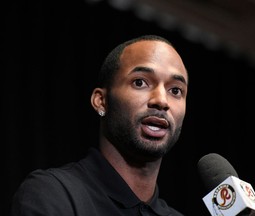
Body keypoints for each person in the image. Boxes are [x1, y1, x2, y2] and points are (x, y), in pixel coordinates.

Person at [10, 34, 189, 216]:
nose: (161, 100)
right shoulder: (53, 193)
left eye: (175, 90)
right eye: (140, 82)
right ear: (101, 101)